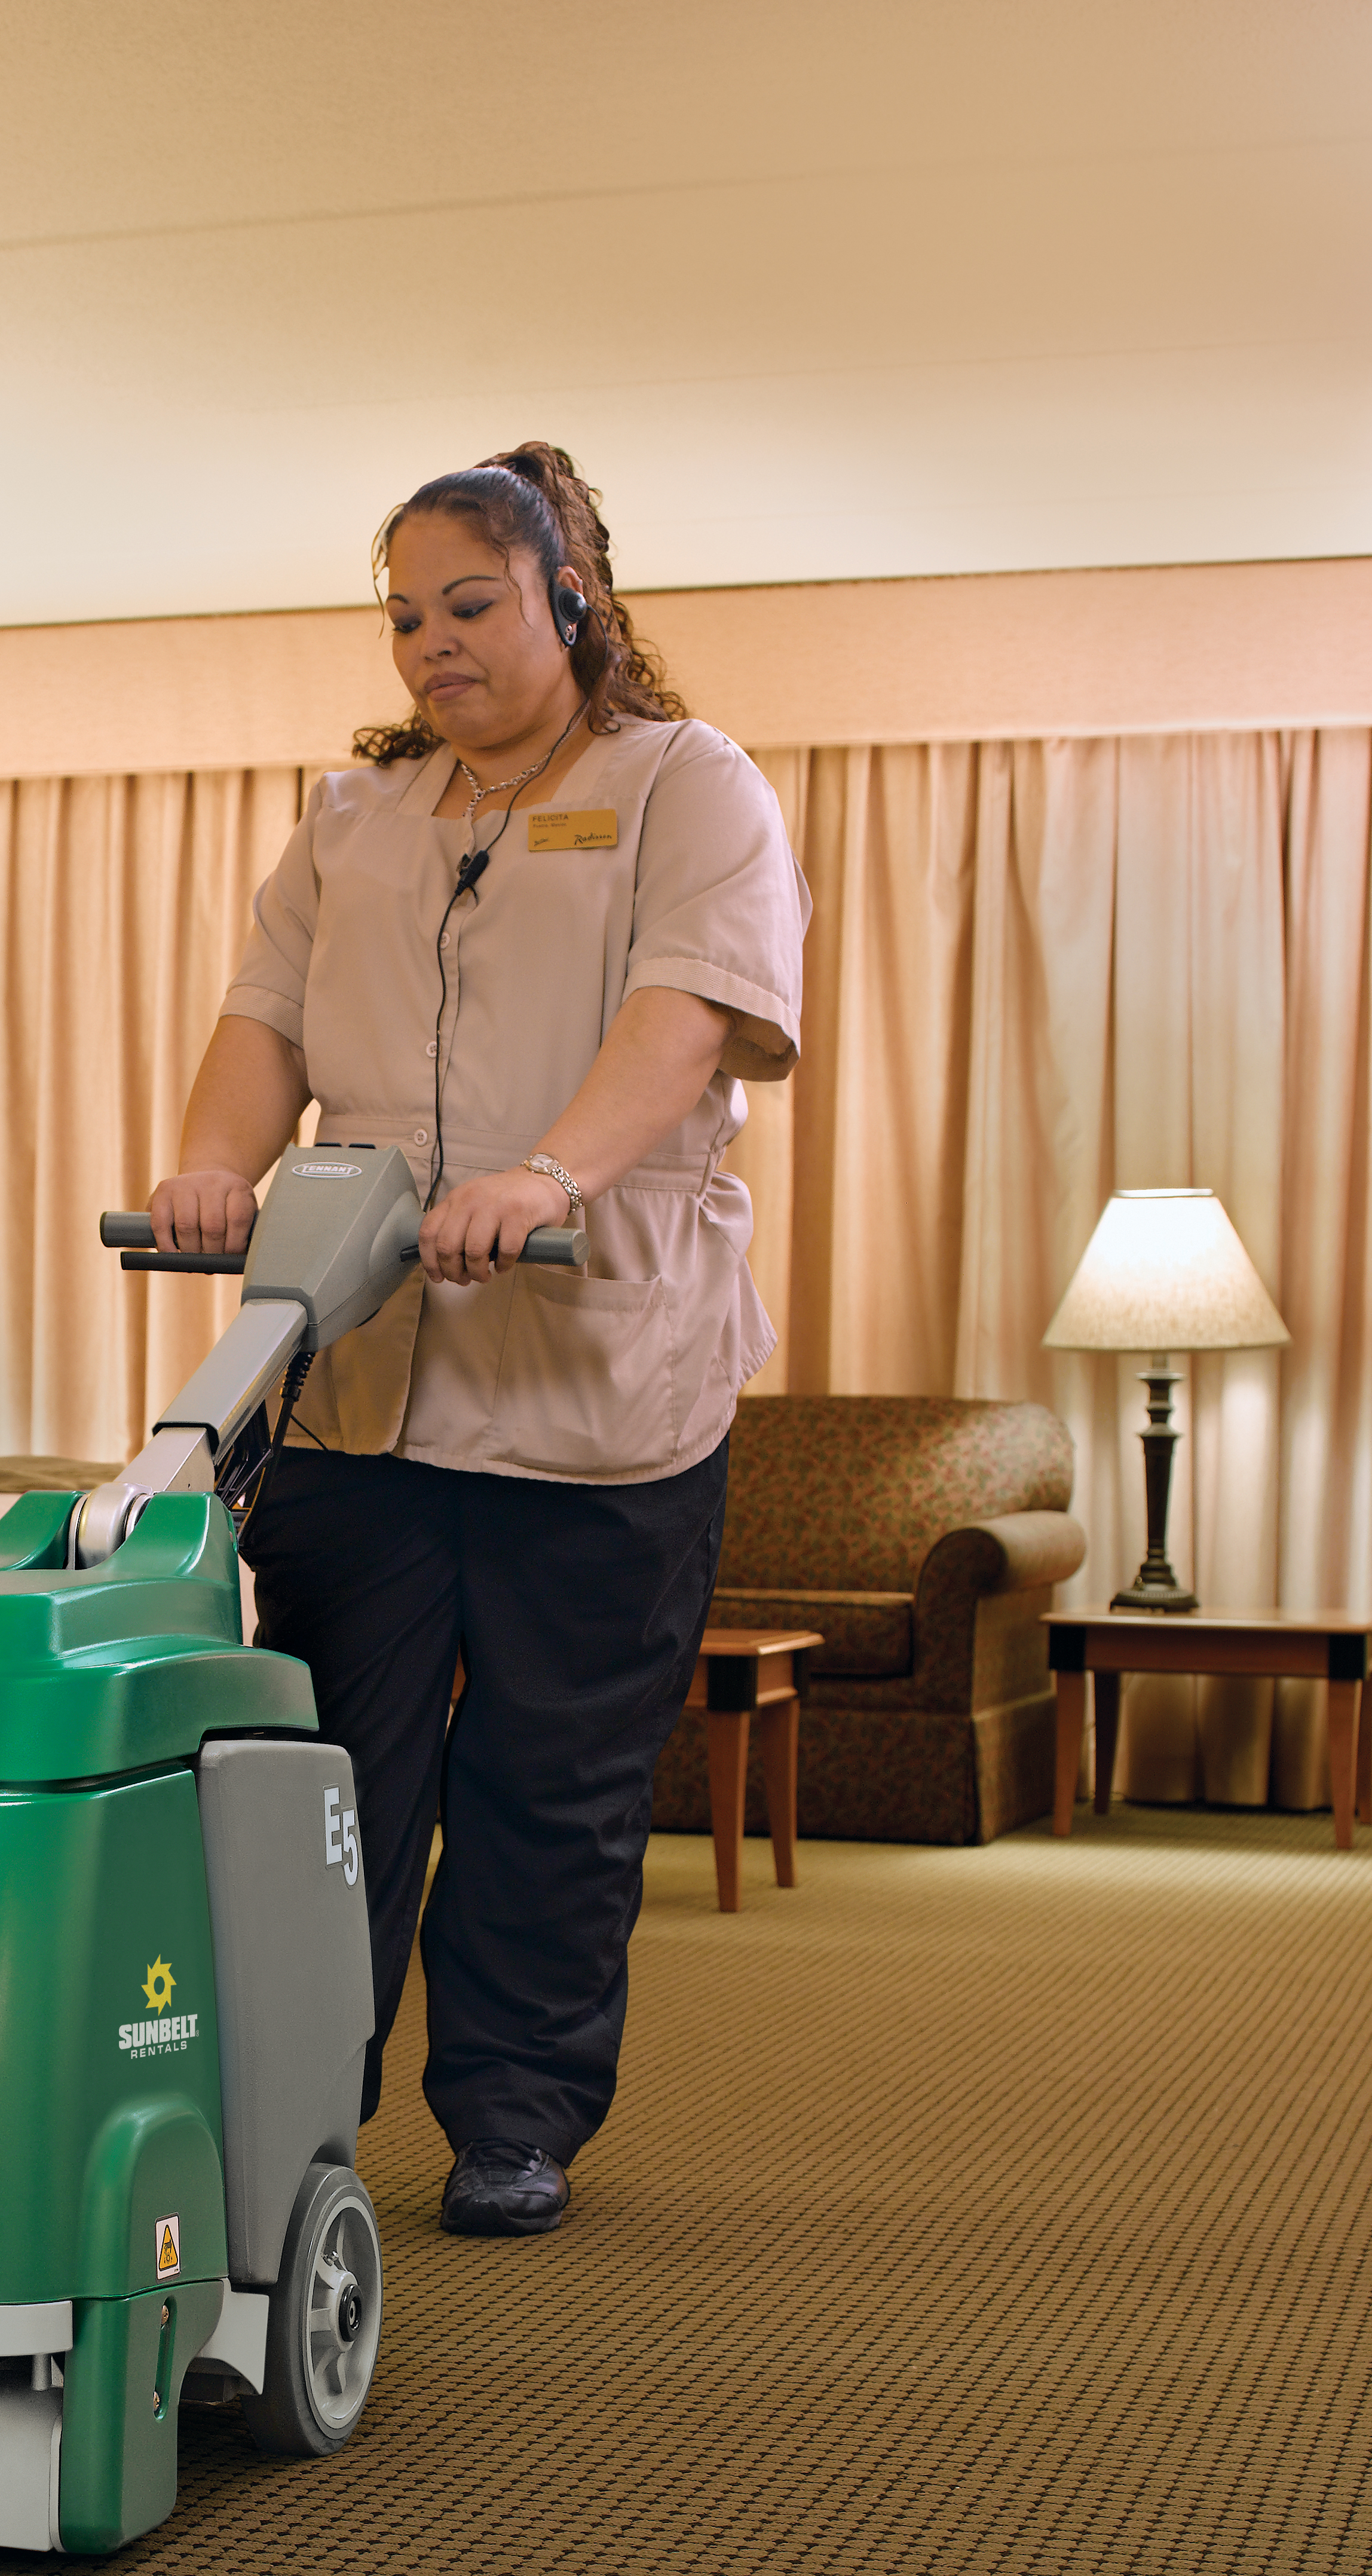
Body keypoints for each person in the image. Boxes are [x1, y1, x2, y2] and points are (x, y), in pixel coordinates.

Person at [150, 443, 807, 2238]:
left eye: (471, 605)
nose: (432, 644)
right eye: (405, 617)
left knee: (552, 1781)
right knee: (327, 1778)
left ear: (567, 600)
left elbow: (689, 1019)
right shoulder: (356, 820)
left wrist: (544, 1172)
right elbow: (263, 1013)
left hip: (597, 1390)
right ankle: (295, 2109)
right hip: (362, 1383)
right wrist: (215, 1168)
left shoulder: (688, 788)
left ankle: (514, 2118)